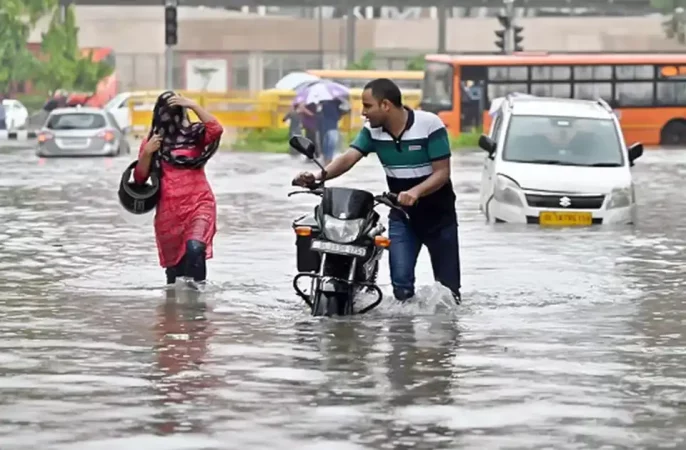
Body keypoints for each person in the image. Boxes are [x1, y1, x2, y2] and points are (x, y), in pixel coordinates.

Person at [292, 78, 461, 303]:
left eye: (368, 106)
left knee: (449, 292)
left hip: (440, 217)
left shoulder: (429, 124)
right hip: (402, 217)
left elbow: (442, 173)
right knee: (401, 287)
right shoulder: (372, 132)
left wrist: (416, 192)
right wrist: (316, 177)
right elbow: (348, 158)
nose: (363, 113)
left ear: (386, 105)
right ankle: (403, 335)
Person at [133, 91, 223, 285]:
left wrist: (193, 105)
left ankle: (199, 303)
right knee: (175, 274)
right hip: (169, 214)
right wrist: (148, 152)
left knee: (195, 248)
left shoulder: (194, 135)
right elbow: (140, 179)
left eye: (175, 110)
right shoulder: (152, 142)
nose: (169, 117)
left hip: (199, 204)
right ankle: (176, 310)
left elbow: (216, 129)